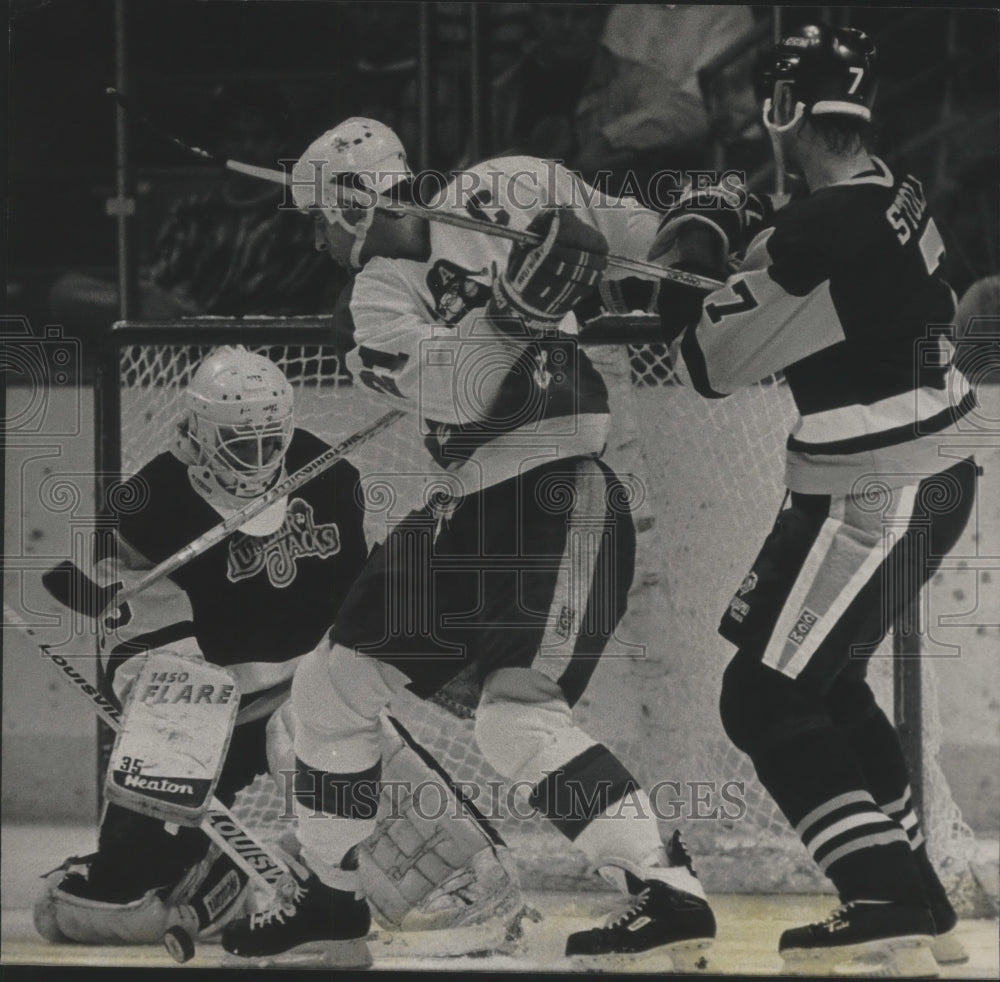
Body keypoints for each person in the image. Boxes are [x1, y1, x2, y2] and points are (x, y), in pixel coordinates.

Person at [218, 118, 718, 968]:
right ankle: (333, 905)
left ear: (347, 203)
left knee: (515, 721)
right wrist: (516, 311)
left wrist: (706, 222)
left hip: (559, 490)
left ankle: (667, 888)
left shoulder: (511, 183)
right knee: (329, 687)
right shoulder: (377, 298)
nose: (312, 236)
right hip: (466, 508)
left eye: (316, 216)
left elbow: (638, 238)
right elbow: (462, 395)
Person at [649, 24, 977, 976]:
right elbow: (830, 277)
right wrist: (747, 240)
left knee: (761, 698)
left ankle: (881, 899)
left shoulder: (815, 234)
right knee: (826, 688)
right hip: (915, 477)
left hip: (873, 494)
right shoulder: (891, 189)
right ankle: (921, 902)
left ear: (787, 108)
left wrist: (702, 246)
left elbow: (707, 364)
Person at [33, 347, 370, 945]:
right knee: (111, 899)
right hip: (211, 706)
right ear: (197, 433)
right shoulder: (149, 502)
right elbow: (129, 619)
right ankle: (217, 877)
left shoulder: (327, 474)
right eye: (244, 445)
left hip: (308, 692)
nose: (264, 460)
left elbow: (360, 605)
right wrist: (161, 691)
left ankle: (322, 869)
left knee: (396, 856)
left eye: (274, 443)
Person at [48, 82, 343, 332]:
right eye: (236, 137)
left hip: (266, 334)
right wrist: (167, 301)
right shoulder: (191, 212)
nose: (248, 149)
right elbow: (161, 283)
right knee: (68, 290)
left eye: (259, 137)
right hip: (187, 327)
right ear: (218, 145)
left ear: (280, 143)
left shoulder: (304, 213)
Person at [484, 4, 707, 199]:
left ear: (602, 18)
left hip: (605, 217)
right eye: (554, 13)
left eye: (581, 15)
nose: (567, 26)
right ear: (534, 15)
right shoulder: (506, 88)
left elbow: (691, 114)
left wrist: (610, 140)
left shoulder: (629, 79)